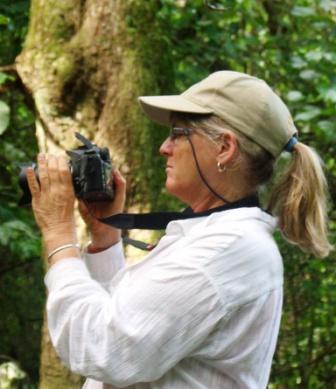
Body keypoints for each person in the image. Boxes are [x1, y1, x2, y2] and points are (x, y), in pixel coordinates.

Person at [27, 71, 332, 389]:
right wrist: (105, 241)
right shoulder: (216, 236)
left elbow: (105, 349)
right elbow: (124, 321)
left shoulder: (226, 249)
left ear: (224, 148)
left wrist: (59, 234)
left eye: (177, 133)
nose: (164, 147)